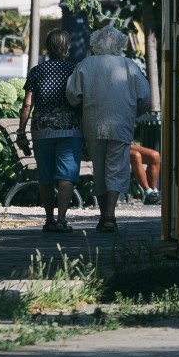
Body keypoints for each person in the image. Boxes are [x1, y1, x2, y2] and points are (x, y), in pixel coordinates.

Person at [66, 25, 152, 232]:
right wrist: (134, 112)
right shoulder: (129, 65)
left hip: (94, 123)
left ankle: (103, 215)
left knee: (99, 169)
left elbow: (73, 94)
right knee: (117, 168)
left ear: (96, 44)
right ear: (120, 44)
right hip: (121, 123)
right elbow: (145, 97)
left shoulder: (86, 64)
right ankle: (110, 216)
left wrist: (82, 108)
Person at [17, 28, 81, 233]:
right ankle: (62, 219)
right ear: (66, 48)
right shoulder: (74, 70)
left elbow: (27, 104)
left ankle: (49, 219)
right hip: (69, 129)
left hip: (42, 130)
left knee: (45, 176)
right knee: (66, 175)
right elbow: (81, 99)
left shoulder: (37, 71)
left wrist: (21, 130)